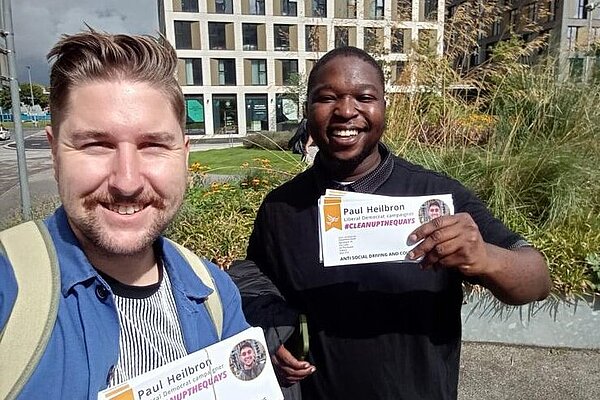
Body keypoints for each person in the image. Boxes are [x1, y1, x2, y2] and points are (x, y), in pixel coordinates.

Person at [246, 46, 551, 400]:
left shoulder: (439, 198)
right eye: (327, 98)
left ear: (383, 107)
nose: (346, 111)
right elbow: (255, 281)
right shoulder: (281, 208)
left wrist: (484, 257)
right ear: (307, 110)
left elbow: (537, 280)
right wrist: (272, 333)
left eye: (364, 97)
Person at [0, 30, 248, 398]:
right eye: (96, 145)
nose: (127, 182)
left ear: (183, 154)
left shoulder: (214, 293)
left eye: (152, 145)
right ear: (54, 153)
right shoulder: (9, 288)